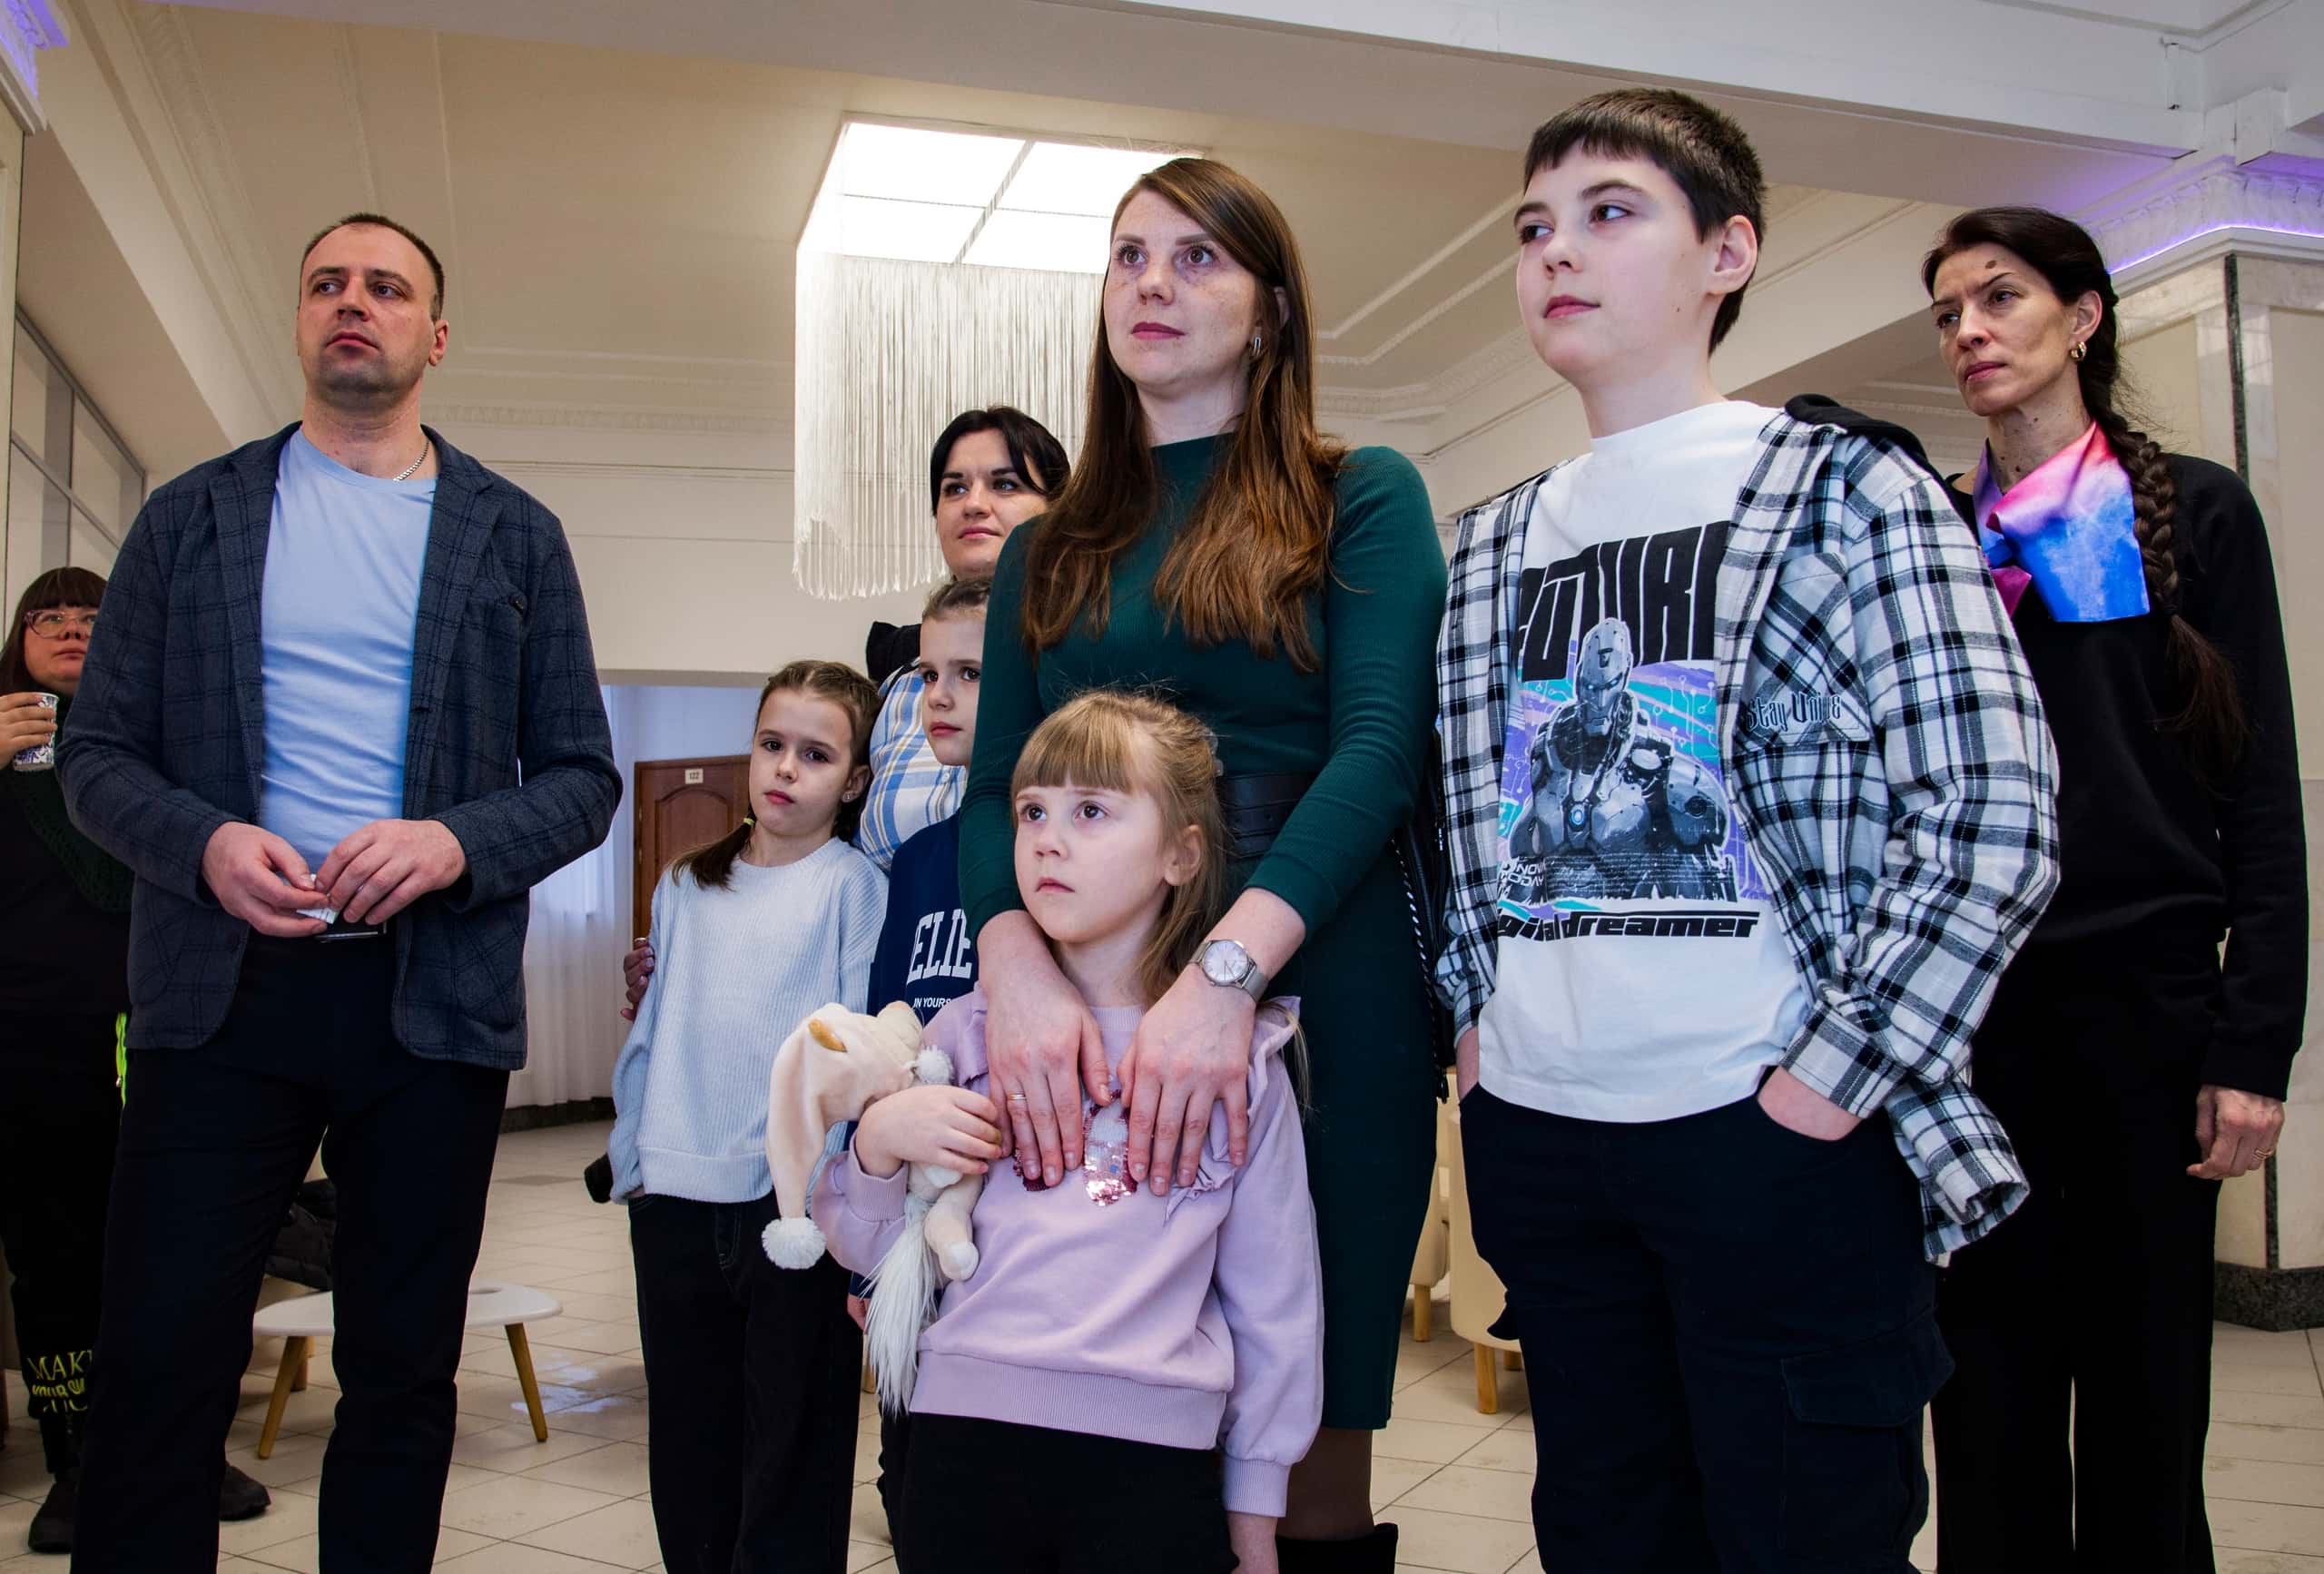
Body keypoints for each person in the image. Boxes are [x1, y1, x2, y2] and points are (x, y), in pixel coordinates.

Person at [1433, 90, 2060, 1571]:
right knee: (1604, 1529)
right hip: (1545, 1135)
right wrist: (1477, 1029)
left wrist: (1830, 1079)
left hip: (1771, 1123)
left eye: (1609, 212)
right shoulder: (1493, 540)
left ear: (1727, 252)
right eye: (1533, 226)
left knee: (1803, 1533)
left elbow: (1993, 810)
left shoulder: (1847, 491)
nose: (1556, 251)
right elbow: (1462, 828)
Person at [57, 212, 621, 1570]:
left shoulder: (515, 535)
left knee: (403, 1368)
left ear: (437, 335)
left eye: (386, 286)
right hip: (217, 992)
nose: (351, 302)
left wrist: (452, 844)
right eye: (326, 283)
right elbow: (96, 755)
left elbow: (582, 778)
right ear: (301, 320)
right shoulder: (189, 517)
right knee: (158, 1359)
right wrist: (206, 843)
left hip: (429, 1005)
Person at [957, 157, 1445, 1569]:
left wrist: (1229, 972)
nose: (1153, 283)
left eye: (1197, 257)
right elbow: (995, 787)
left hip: (1321, 963)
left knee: (1306, 1425)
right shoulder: (1047, 546)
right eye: (1129, 255)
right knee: (1098, 1385)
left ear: (1272, 309)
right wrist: (1014, 973)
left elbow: (1378, 751)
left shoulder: (1360, 493)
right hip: (1089, 980)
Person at [1919, 207, 2306, 1574]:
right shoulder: (1940, 535)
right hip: (1976, 1024)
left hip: (2151, 1017)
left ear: (2083, 317)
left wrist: (2254, 1044)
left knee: (2147, 1402)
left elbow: (2260, 796)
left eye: (2000, 298)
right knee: (1985, 1402)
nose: (1969, 331)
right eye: (1948, 312)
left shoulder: (2195, 509)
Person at [817, 689, 1321, 1574]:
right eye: (1032, 812)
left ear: (1180, 853)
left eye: (1090, 811)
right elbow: (866, 1249)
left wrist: (1254, 1518)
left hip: (1153, 1468)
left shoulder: (1238, 1061)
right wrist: (879, 1142)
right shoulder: (961, 1034)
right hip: (959, 1448)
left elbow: (1275, 1305)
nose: (1048, 839)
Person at [620, 408, 1063, 1009]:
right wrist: (700, 962)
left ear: (1059, 509)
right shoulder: (896, 687)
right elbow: (810, 837)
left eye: (1004, 484)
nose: (974, 504)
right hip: (897, 978)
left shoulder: (1082, 664)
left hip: (1036, 973)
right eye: (954, 487)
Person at [0, 569, 270, 1553]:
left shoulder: (155, 739)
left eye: (91, 617)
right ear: (17, 641)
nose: (70, 631)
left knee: (183, 1254)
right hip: (33, 1042)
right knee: (57, 1260)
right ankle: (78, 1466)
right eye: (47, 618)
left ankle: (183, 1452)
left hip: (170, 1026)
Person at [609, 658, 884, 1574]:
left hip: (793, 1212)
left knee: (794, 1448)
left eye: (815, 755)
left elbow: (855, 1053)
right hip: (675, 1196)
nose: (785, 769)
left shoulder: (854, 886)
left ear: (853, 781)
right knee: (690, 1443)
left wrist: (832, 1196)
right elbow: (653, 1032)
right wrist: (633, 1162)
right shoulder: (687, 883)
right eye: (772, 744)